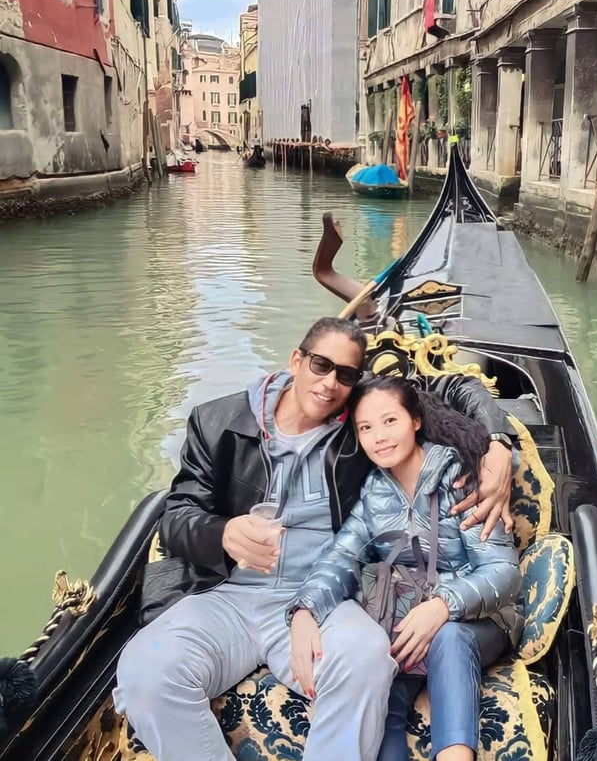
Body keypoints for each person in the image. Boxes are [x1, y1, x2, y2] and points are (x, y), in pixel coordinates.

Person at [113, 317, 519, 761]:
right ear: (296, 360)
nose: (330, 384)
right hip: (222, 595)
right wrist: (223, 533)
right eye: (320, 366)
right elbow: (175, 519)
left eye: (345, 374)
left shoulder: (361, 421)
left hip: (321, 597)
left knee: (366, 657)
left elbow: (455, 389)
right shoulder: (217, 422)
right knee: (145, 673)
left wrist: (497, 442)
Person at [288, 375, 522, 761]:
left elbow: (504, 572)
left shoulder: (463, 477)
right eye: (366, 428)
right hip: (407, 622)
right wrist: (304, 610)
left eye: (389, 421)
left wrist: (442, 606)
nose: (378, 436)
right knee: (378, 672)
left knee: (449, 637)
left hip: (481, 620)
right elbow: (340, 557)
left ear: (415, 420)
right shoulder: (373, 492)